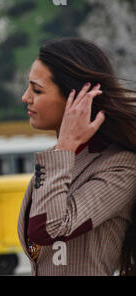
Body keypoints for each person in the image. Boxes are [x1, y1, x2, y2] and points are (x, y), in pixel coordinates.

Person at [17, 37, 136, 275]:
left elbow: (49, 229)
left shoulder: (121, 165)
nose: (25, 97)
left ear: (78, 99)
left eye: (37, 89)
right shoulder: (60, 157)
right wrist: (65, 148)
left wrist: (66, 146)